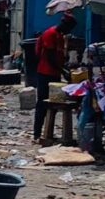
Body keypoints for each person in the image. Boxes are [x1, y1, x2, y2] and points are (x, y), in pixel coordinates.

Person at [33, 14, 77, 142]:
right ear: (65, 24)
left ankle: (48, 132)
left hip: (54, 74)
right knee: (42, 102)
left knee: (54, 104)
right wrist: (63, 71)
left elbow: (59, 57)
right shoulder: (50, 34)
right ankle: (37, 133)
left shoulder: (60, 37)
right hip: (45, 73)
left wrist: (65, 68)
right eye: (69, 28)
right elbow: (50, 57)